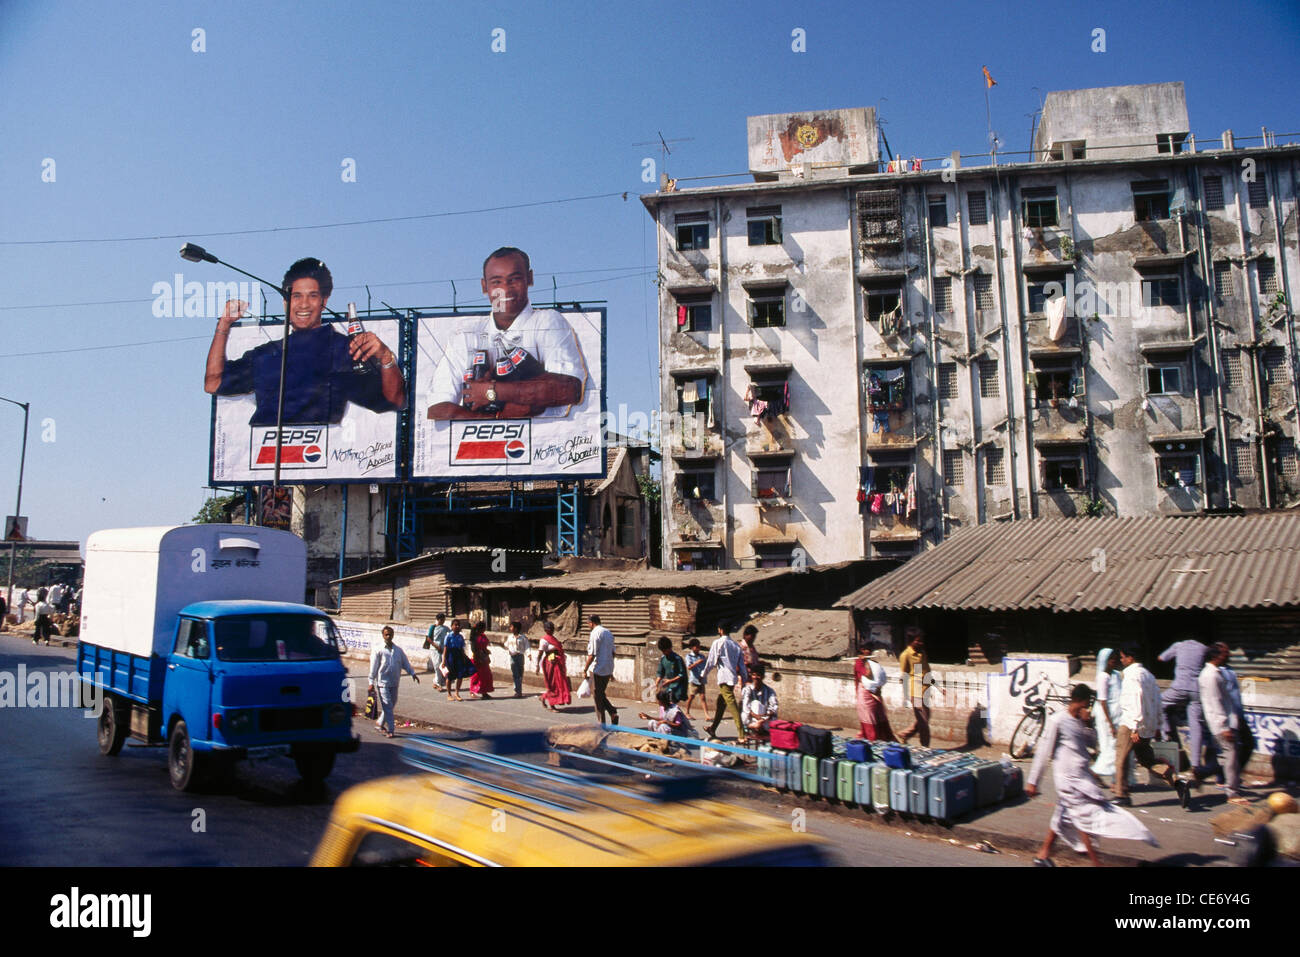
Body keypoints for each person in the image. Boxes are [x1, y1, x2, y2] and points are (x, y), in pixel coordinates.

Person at [205, 257, 406, 425]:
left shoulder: (344, 349)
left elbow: (394, 400)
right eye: (296, 296)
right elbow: (213, 383)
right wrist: (224, 324)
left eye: (312, 296)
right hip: (263, 467)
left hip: (322, 465)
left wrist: (386, 358)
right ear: (285, 303)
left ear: (324, 302)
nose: (303, 305)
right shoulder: (266, 354)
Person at [426, 247, 587, 420]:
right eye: (496, 282)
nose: (505, 290)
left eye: (514, 279)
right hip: (481, 445)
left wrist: (492, 392)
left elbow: (570, 389)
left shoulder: (547, 321)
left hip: (542, 442)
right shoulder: (466, 334)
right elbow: (437, 408)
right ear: (484, 286)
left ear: (530, 278)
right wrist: (499, 417)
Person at [1026, 684, 1158, 867]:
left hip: (1082, 779)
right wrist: (1033, 782)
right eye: (1087, 703)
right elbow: (1043, 752)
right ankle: (1096, 863)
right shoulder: (1057, 720)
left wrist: (1087, 724)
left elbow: (1091, 744)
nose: (1088, 707)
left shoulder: (1079, 720)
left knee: (1063, 816)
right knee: (1084, 820)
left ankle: (1042, 855)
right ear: (1079, 701)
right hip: (1068, 781)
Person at [1114, 645, 1187, 807]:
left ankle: (1122, 795)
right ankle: (1176, 781)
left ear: (1130, 658)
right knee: (1147, 760)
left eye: (1123, 657)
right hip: (1147, 726)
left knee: (1121, 760)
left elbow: (1135, 701)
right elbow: (1157, 702)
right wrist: (1156, 725)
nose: (1121, 659)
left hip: (1131, 724)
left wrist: (1134, 727)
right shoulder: (1149, 676)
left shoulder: (1132, 676)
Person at [1192, 643, 1253, 805]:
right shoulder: (1210, 676)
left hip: (1224, 722)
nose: (1228, 654)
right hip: (1221, 724)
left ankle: (1203, 772)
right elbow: (1215, 702)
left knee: (1228, 757)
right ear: (1216, 655)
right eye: (1225, 652)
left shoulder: (1215, 673)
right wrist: (1224, 726)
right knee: (1231, 757)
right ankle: (1232, 793)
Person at [1157, 633, 1208, 769]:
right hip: (1196, 689)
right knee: (1196, 725)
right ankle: (1196, 765)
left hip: (1179, 686)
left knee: (1159, 703)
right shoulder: (1203, 648)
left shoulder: (1179, 645)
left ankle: (1166, 732)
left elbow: (1161, 658)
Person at [1090, 647, 1135, 788]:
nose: (1113, 661)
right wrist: (1110, 725)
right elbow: (1103, 702)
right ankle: (1094, 774)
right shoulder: (1103, 677)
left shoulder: (1116, 674)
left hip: (1118, 716)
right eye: (1110, 659)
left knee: (1119, 748)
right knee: (1111, 748)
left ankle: (1119, 781)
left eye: (1115, 658)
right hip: (1107, 718)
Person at [367, 626, 419, 738]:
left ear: (393, 635)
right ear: (383, 635)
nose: (388, 636)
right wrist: (371, 682)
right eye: (386, 634)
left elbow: (405, 663)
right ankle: (391, 730)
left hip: (394, 682)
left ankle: (380, 723)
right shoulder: (378, 649)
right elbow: (373, 667)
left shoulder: (398, 650)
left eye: (390, 634)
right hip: (382, 683)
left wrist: (413, 673)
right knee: (388, 706)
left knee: (392, 704)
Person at [701, 624, 748, 740]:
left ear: (720, 630)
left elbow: (711, 661)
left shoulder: (718, 643)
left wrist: (703, 674)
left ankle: (742, 734)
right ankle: (713, 728)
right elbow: (742, 666)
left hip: (724, 678)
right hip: (732, 679)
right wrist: (744, 679)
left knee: (732, 706)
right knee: (721, 702)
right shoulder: (736, 646)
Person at [898, 628, 934, 747]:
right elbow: (904, 675)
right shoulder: (905, 655)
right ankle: (925, 747)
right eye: (918, 641)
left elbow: (926, 670)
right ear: (911, 641)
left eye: (921, 640)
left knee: (924, 718)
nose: (921, 643)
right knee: (923, 722)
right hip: (916, 691)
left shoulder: (922, 653)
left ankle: (905, 734)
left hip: (925, 690)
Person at [854, 647, 897, 742]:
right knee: (869, 719)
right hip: (865, 695)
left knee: (880, 717)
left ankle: (885, 740)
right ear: (861, 650)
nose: (868, 651)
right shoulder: (859, 663)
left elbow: (879, 678)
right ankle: (872, 741)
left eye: (869, 649)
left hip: (875, 694)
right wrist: (864, 662)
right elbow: (866, 675)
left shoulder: (872, 663)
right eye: (866, 649)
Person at [582, 614, 618, 725]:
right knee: (600, 694)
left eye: (588, 623)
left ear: (592, 623)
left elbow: (591, 654)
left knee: (598, 697)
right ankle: (612, 712)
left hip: (598, 668)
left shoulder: (595, 633)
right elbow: (613, 652)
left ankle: (602, 723)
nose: (588, 625)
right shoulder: (608, 632)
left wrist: (585, 669)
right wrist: (611, 671)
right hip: (608, 668)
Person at [536, 620, 571, 711]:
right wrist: (537, 665)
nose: (551, 630)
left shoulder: (554, 639)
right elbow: (540, 653)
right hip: (550, 664)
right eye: (549, 629)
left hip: (557, 663)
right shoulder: (544, 640)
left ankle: (544, 697)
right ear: (545, 630)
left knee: (559, 683)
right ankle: (552, 704)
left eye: (552, 629)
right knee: (552, 684)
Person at [739, 663, 779, 741]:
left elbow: (774, 707)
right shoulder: (747, 689)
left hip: (764, 719)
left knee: (773, 718)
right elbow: (746, 707)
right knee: (755, 704)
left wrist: (762, 719)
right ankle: (752, 726)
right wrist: (756, 716)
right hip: (751, 718)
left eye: (758, 675)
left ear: (763, 677)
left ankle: (758, 727)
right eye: (754, 675)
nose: (756, 678)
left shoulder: (770, 691)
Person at [441, 620, 476, 701]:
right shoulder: (449, 636)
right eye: (455, 625)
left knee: (460, 676)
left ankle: (457, 693)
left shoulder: (460, 637)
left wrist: (464, 657)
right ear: (452, 626)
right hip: (450, 657)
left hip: (458, 656)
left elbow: (461, 648)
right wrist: (443, 661)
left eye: (458, 625)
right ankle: (449, 694)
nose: (457, 626)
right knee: (450, 676)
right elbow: (445, 649)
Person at [654, 636, 688, 703]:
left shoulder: (677, 659)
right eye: (662, 651)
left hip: (677, 688)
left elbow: (681, 675)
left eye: (664, 650)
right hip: (668, 687)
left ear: (670, 648)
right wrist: (656, 683)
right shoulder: (663, 659)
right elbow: (660, 673)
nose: (663, 652)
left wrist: (670, 681)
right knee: (665, 704)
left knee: (672, 705)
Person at [468, 621, 495, 698]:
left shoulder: (483, 636)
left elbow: (485, 646)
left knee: (486, 675)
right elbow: (473, 649)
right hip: (477, 658)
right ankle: (472, 691)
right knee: (476, 675)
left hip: (484, 657)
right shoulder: (474, 637)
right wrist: (478, 657)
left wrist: (487, 652)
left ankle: (484, 692)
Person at [423, 613, 449, 690]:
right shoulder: (433, 627)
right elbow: (428, 638)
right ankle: (438, 683)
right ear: (438, 620)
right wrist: (436, 646)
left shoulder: (445, 628)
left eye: (443, 620)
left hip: (442, 648)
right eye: (441, 620)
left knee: (442, 665)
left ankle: (437, 681)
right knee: (437, 665)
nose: (443, 621)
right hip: (435, 649)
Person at [683, 638, 707, 718]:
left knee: (703, 697)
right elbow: (689, 667)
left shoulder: (702, 656)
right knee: (691, 696)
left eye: (699, 647)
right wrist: (697, 663)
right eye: (697, 647)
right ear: (692, 647)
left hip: (701, 679)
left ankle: (706, 714)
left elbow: (705, 667)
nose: (698, 648)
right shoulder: (689, 656)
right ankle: (687, 712)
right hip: (693, 679)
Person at [504, 620, 529, 698]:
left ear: (516, 629)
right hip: (513, 657)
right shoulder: (510, 637)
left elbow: (527, 646)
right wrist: (510, 649)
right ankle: (518, 690)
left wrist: (529, 654)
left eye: (512, 627)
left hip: (520, 656)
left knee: (520, 673)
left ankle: (518, 689)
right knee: (515, 674)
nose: (510, 628)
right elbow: (506, 644)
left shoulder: (523, 637)